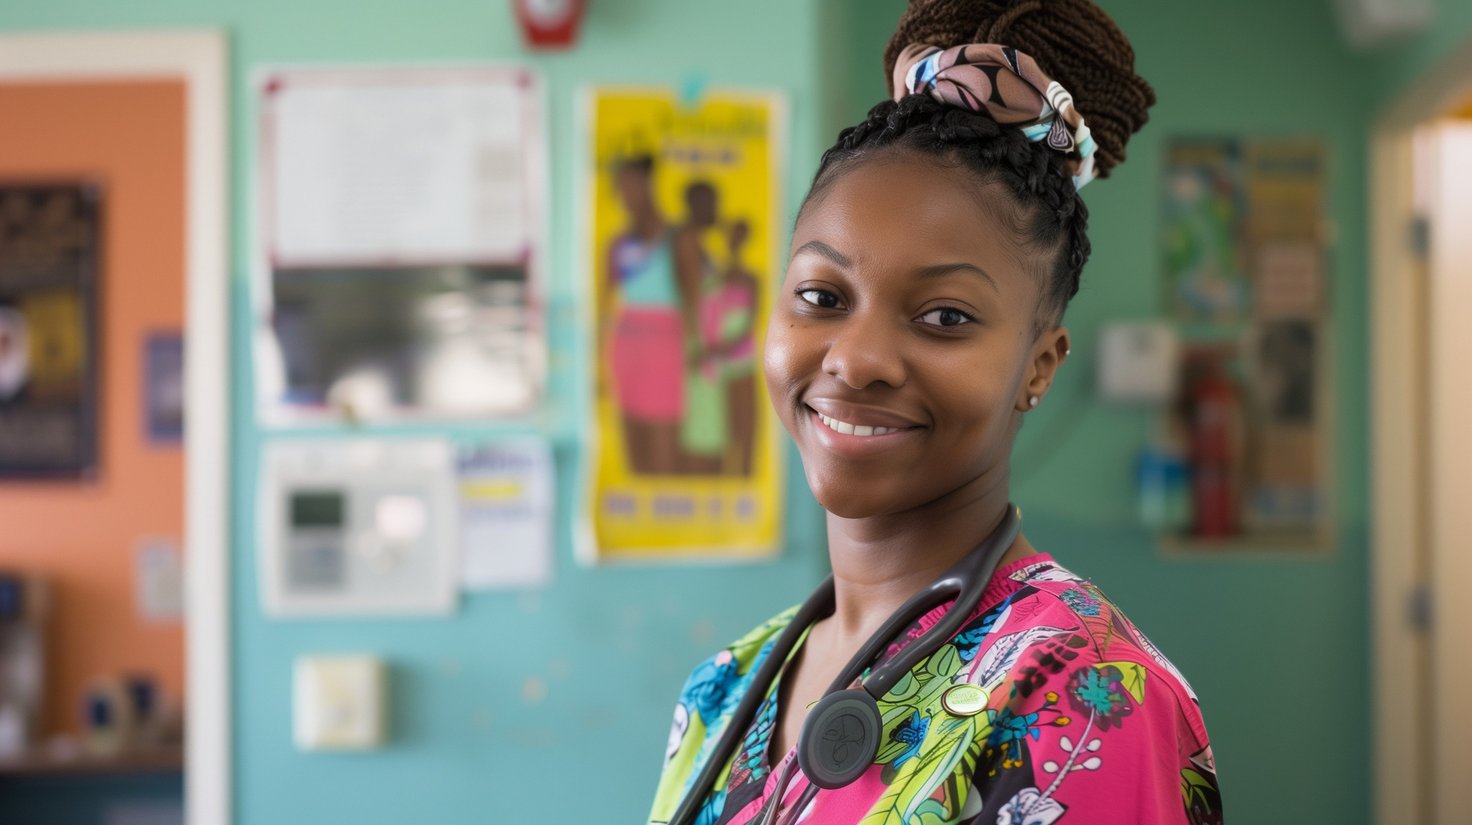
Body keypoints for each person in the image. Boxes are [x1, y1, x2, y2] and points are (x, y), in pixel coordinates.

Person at [647, 2, 1222, 824]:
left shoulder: (1084, 696)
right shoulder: (725, 686)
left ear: (1039, 365)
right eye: (822, 295)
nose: (855, 358)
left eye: (945, 316)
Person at [604, 154, 685, 475]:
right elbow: (604, 308)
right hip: (626, 346)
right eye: (619, 186)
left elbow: (695, 303)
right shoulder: (616, 245)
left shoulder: (677, 239)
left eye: (630, 184)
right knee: (633, 444)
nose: (623, 193)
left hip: (666, 347)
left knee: (664, 446)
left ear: (648, 185)